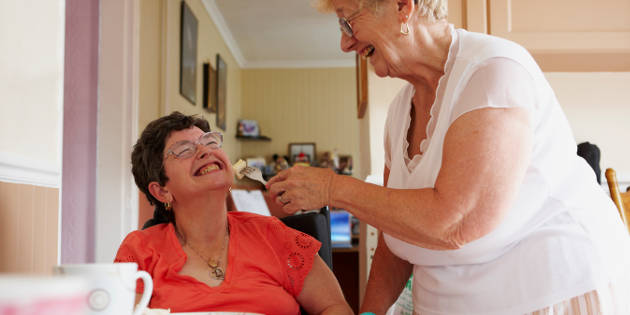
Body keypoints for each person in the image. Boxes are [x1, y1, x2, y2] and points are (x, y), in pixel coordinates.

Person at [266, 0, 630, 314]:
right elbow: (397, 237)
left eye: (348, 20)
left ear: (402, 6)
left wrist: (333, 188)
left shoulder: (494, 70)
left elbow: (455, 222)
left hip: (551, 295)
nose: (345, 42)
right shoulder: (398, 113)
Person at [114, 112, 351, 314]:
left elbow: (334, 307)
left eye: (211, 143)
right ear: (161, 191)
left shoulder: (274, 235)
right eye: (185, 150)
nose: (205, 151)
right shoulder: (140, 251)